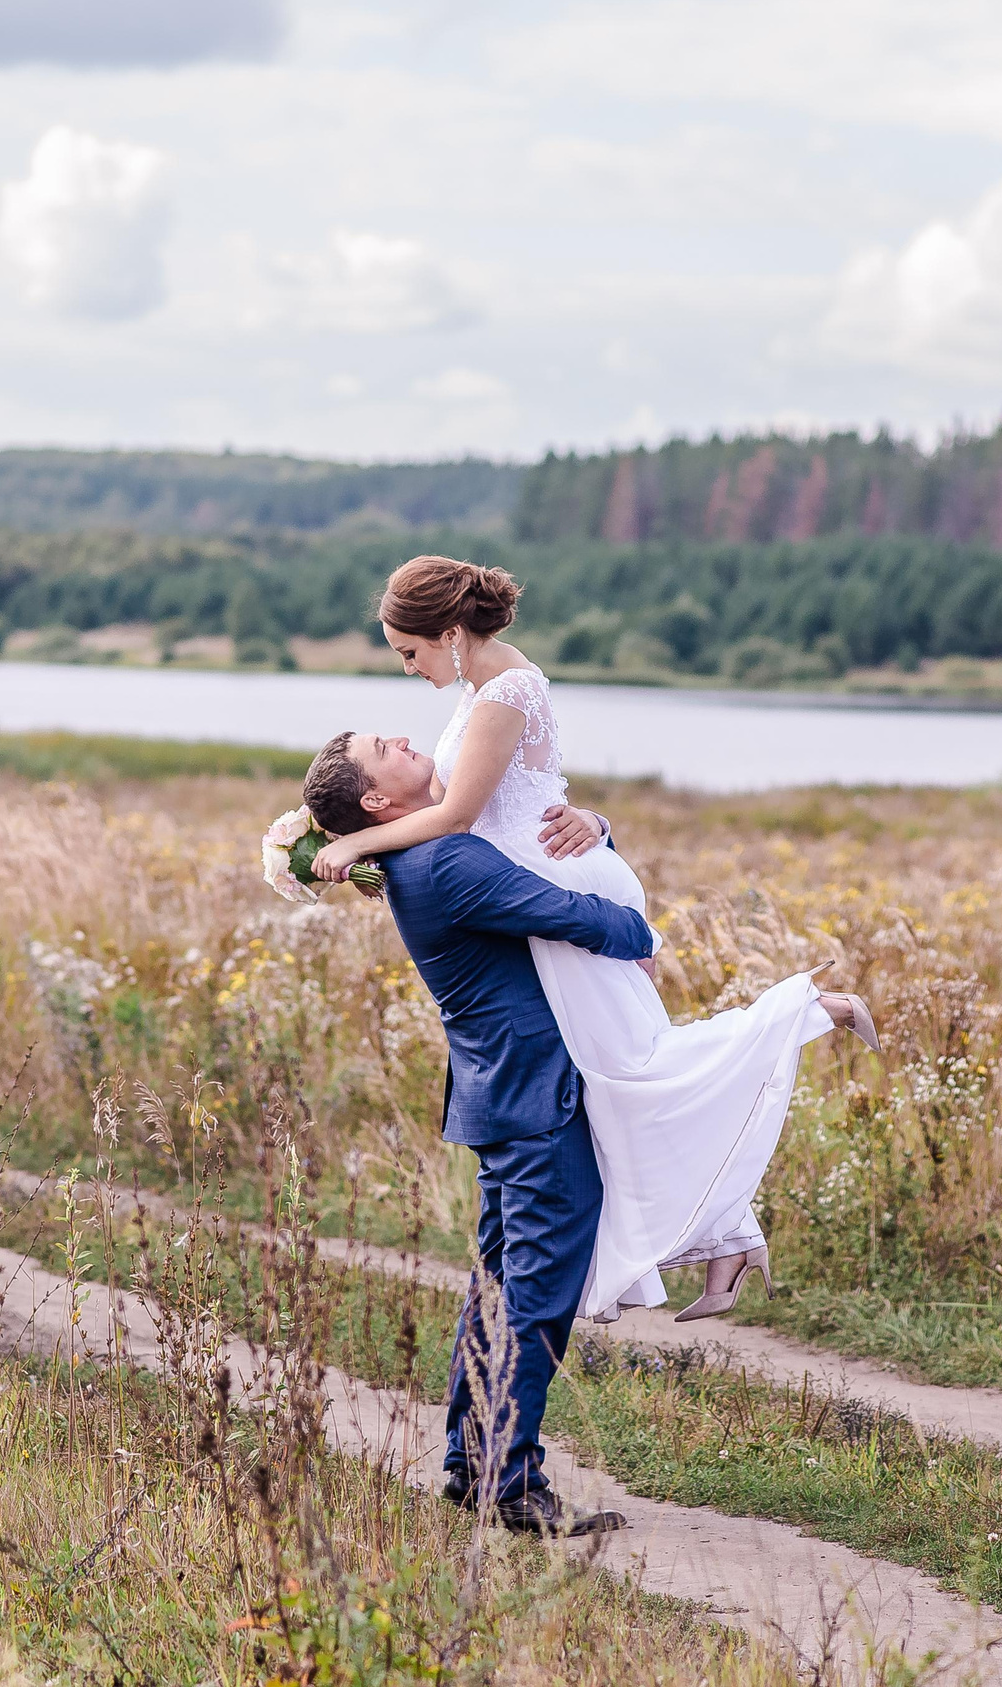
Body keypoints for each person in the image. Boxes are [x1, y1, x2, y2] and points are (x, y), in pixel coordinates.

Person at [305, 555, 877, 1326]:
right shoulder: (481, 688)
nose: (408, 670)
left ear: (447, 633)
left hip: (566, 891)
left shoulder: (506, 690)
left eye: (409, 652)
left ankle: (810, 1008)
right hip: (556, 877)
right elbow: (511, 796)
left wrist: (353, 848)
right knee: (619, 1080)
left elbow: (456, 815)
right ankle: (730, 1238)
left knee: (635, 1069)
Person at [308, 732, 650, 1535]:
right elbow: (567, 911)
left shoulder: (420, 857)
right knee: (535, 1288)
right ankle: (510, 1482)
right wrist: (644, 932)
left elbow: (549, 860)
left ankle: (472, 1465)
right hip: (534, 1094)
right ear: (374, 802)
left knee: (500, 1282)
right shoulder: (443, 864)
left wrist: (594, 827)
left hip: (501, 1092)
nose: (400, 736)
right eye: (379, 749)